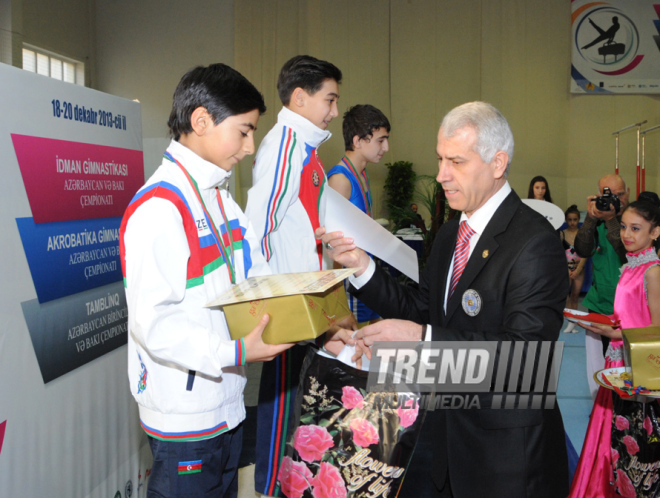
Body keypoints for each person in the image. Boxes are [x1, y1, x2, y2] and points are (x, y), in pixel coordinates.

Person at [319, 101, 569, 497]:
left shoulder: (534, 242)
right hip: (446, 443)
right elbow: (424, 311)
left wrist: (422, 339)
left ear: (498, 163)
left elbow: (525, 362)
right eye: (440, 160)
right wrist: (362, 266)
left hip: (506, 459)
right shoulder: (452, 234)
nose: (441, 176)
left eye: (456, 162)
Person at [119, 64, 294, 497]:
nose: (251, 147)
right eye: (245, 131)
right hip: (186, 420)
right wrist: (233, 350)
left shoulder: (219, 199)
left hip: (226, 406)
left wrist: (310, 315)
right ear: (201, 121)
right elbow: (153, 323)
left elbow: (256, 278)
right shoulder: (159, 208)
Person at [244, 55, 347, 497]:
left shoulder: (305, 149)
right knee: (281, 408)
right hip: (289, 303)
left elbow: (293, 220)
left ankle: (285, 484)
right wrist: (272, 303)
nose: (334, 111)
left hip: (306, 298)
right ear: (300, 98)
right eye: (330, 99)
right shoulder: (284, 144)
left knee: (296, 409)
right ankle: (269, 488)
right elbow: (256, 229)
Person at [569, 194, 660, 497]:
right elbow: (631, 313)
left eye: (636, 229)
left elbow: (656, 330)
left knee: (638, 449)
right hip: (619, 365)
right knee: (617, 444)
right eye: (623, 227)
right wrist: (603, 322)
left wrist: (616, 334)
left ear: (655, 232)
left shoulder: (653, 271)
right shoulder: (631, 266)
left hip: (640, 370)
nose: (626, 235)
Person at [327, 104, 390, 326]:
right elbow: (331, 247)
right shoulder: (340, 180)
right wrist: (338, 303)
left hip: (366, 270)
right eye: (380, 140)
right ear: (357, 141)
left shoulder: (361, 174)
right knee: (356, 347)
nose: (386, 147)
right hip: (349, 280)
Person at [575, 174, 629, 398]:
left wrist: (612, 219)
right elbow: (582, 250)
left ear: (627, 194)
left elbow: (626, 252)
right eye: (607, 195)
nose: (613, 200)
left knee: (626, 367)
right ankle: (602, 410)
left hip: (628, 309)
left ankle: (624, 413)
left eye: (618, 195)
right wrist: (589, 219)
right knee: (598, 367)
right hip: (599, 304)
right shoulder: (596, 220)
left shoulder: (635, 221)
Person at [561, 205, 587, 333]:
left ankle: (573, 322)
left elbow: (585, 254)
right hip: (565, 269)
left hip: (578, 269)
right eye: (570, 220)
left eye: (575, 220)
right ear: (566, 220)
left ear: (578, 220)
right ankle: (569, 321)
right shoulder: (562, 234)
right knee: (565, 297)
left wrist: (578, 269)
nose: (572, 222)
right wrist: (565, 269)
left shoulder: (582, 234)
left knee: (575, 296)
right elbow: (559, 253)